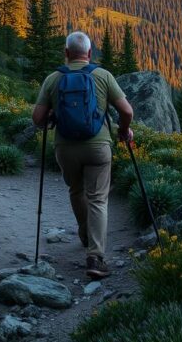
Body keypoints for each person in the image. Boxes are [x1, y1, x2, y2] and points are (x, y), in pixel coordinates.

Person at [32, 31, 134, 279]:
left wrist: (52, 118)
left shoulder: (54, 79)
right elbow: (127, 111)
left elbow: (37, 119)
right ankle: (95, 257)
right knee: (98, 199)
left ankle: (86, 234)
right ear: (89, 53)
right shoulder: (102, 76)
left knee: (76, 191)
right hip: (98, 146)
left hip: (65, 148)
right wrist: (123, 130)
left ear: (66, 53)